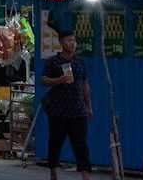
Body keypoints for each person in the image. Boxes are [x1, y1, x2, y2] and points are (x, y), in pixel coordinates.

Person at [39, 28, 92, 178]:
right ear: (61, 43)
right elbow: (43, 80)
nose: (73, 44)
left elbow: (85, 85)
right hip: (58, 111)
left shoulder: (80, 62)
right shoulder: (53, 62)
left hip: (78, 111)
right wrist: (59, 80)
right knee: (55, 143)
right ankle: (53, 172)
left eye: (74, 41)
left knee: (81, 146)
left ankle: (86, 176)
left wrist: (89, 107)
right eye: (69, 40)